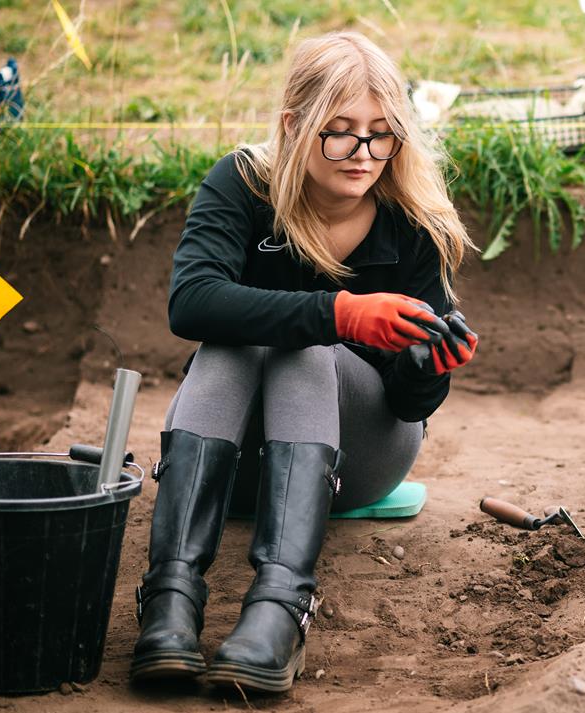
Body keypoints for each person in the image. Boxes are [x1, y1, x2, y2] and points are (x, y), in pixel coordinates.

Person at [130, 32, 477, 692]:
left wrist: (431, 364)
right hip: (236, 468)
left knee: (302, 351)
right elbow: (190, 303)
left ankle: (280, 608)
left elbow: (409, 405)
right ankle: (170, 601)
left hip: (363, 455)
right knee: (235, 336)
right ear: (294, 125)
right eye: (340, 131)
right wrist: (338, 312)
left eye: (382, 134)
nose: (365, 154)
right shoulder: (240, 183)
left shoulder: (415, 223)